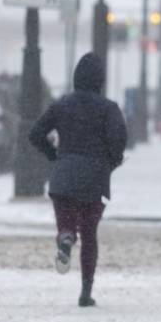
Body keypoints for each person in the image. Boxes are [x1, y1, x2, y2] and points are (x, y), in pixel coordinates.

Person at [29, 53, 127, 307]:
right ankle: (86, 291)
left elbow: (36, 133)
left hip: (63, 176)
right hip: (94, 178)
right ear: (100, 81)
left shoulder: (62, 105)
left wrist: (54, 156)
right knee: (90, 234)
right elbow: (119, 142)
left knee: (66, 222)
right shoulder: (109, 109)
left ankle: (65, 237)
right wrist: (109, 163)